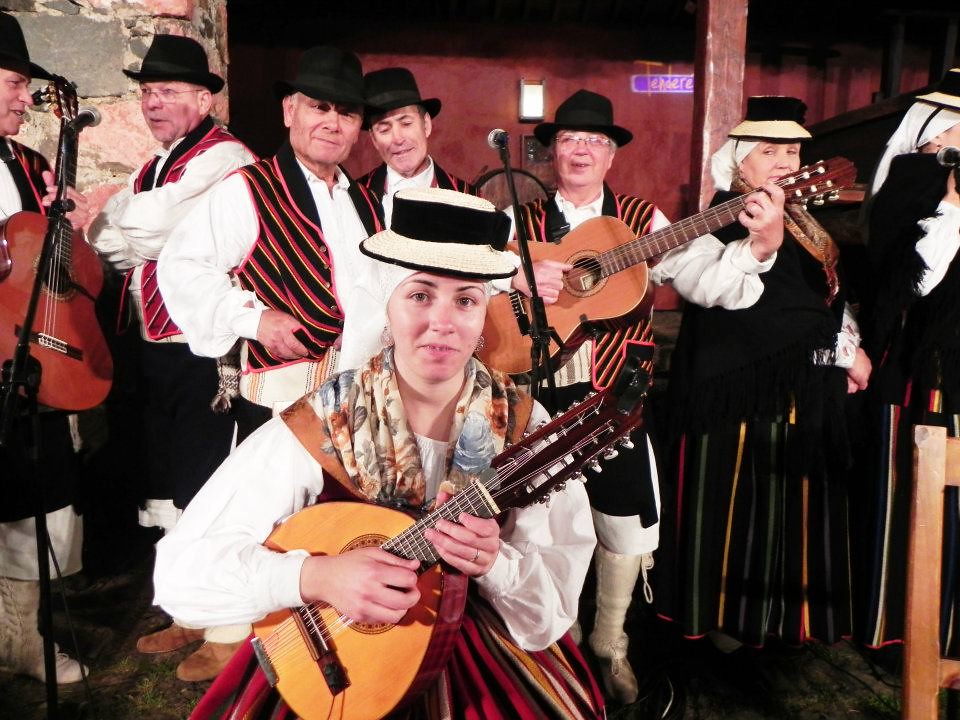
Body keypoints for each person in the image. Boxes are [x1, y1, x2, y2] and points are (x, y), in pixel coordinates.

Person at [153, 187, 605, 719]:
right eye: (420, 295)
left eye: (465, 300)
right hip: (335, 660)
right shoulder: (325, 420)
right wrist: (313, 578)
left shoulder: (527, 426)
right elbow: (180, 576)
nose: (442, 322)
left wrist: (495, 566)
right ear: (386, 305)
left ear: (485, 313)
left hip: (477, 655)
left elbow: (552, 610)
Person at [660, 97, 869, 655]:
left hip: (794, 387)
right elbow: (750, 303)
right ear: (739, 162)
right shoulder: (722, 215)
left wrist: (846, 348)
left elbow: (821, 297)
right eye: (769, 151)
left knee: (786, 508)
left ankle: (778, 620)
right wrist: (843, 353)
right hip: (735, 394)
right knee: (736, 507)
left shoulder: (801, 215)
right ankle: (725, 620)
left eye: (792, 151)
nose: (783, 161)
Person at [87, 34, 257, 681]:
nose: (152, 103)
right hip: (154, 343)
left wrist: (130, 218)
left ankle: (228, 625)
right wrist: (131, 220)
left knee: (211, 481)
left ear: (203, 99)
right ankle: (189, 606)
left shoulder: (226, 157)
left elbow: (145, 229)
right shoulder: (155, 168)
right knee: (168, 479)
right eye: (147, 92)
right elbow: (108, 241)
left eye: (167, 91)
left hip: (204, 345)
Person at [157, 46, 384, 444]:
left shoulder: (366, 203)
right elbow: (182, 266)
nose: (332, 123)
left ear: (357, 127)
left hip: (359, 404)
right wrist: (254, 321)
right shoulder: (247, 189)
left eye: (347, 113)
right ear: (289, 111)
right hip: (279, 405)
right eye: (319, 107)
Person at [855, 68, 960, 654]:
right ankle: (909, 631)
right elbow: (912, 284)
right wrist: (952, 203)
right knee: (916, 503)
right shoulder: (911, 183)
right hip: (924, 372)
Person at [0, 10, 91, 684]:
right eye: (11, 84)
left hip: (30, 359)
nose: (23, 100)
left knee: (39, 493)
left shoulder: (29, 165)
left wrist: (69, 225)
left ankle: (21, 639)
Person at [358, 66, 475, 225]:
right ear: (373, 139)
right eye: (384, 129)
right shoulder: (354, 196)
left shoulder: (470, 198)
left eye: (406, 123)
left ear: (426, 125)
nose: (397, 139)